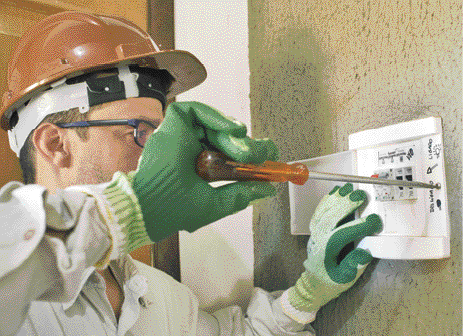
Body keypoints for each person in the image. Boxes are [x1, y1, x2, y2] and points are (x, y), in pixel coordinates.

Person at [0, 11, 382, 335]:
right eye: (140, 132)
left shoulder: (159, 299)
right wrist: (125, 208)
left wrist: (305, 295)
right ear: (55, 144)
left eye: (163, 135)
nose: (162, 157)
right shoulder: (20, 309)